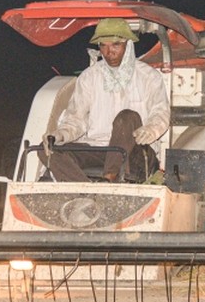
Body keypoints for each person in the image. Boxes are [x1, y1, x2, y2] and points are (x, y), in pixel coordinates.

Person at [44, 18, 170, 182]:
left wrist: (151, 130)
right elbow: (76, 120)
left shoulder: (149, 76)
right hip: (98, 149)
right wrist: (59, 136)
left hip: (135, 153)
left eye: (115, 45)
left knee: (127, 117)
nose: (109, 51)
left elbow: (161, 113)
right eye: (103, 45)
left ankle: (109, 178)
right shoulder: (89, 77)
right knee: (44, 149)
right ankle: (86, 191)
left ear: (128, 44)